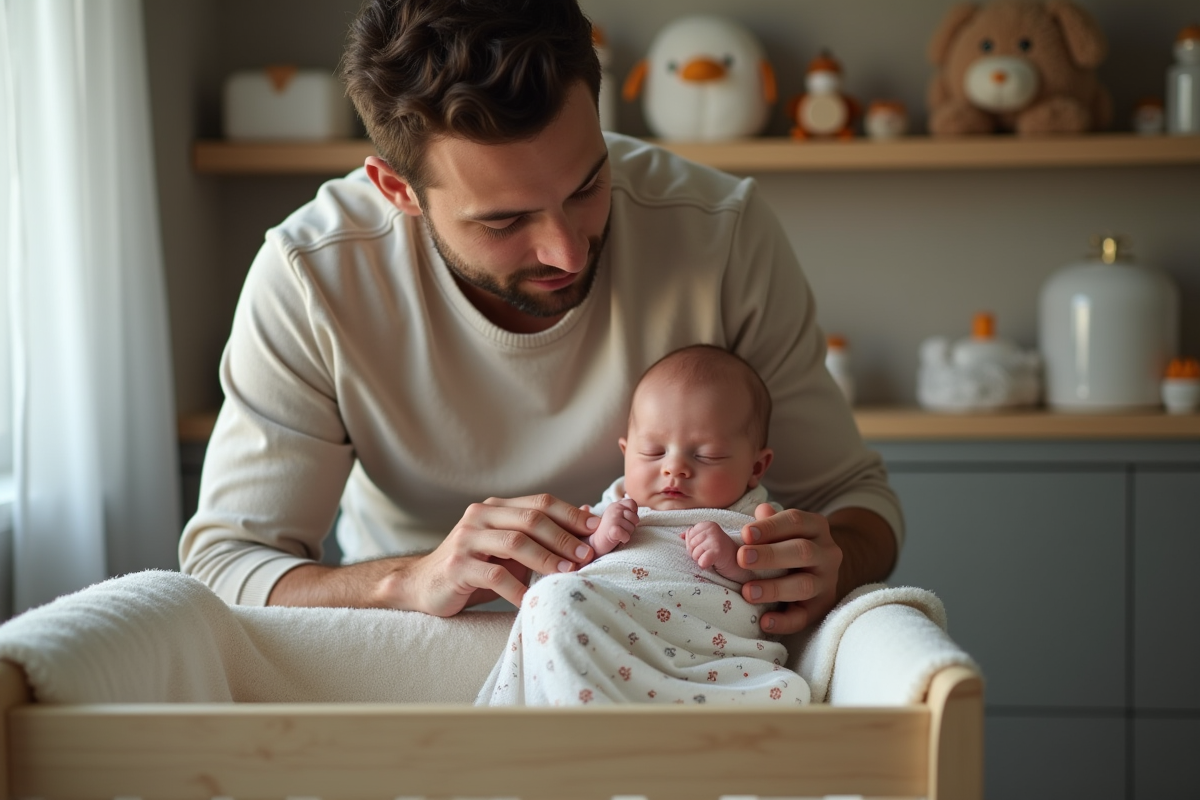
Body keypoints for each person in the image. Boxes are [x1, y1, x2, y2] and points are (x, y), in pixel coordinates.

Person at [179, 0, 903, 639]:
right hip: (424, 650)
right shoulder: (313, 275)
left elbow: (857, 504)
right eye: (505, 220)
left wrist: (823, 563)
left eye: (588, 185)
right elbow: (223, 565)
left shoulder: (722, 233)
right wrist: (410, 580)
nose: (568, 248)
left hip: (681, 642)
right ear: (397, 188)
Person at [477, 344, 811, 705]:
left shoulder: (757, 519)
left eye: (706, 455)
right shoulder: (606, 512)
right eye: (653, 452)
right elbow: (562, 562)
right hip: (611, 644)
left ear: (756, 467)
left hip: (710, 663)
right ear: (626, 453)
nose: (674, 468)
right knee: (552, 598)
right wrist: (599, 540)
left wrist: (736, 559)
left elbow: (782, 587)